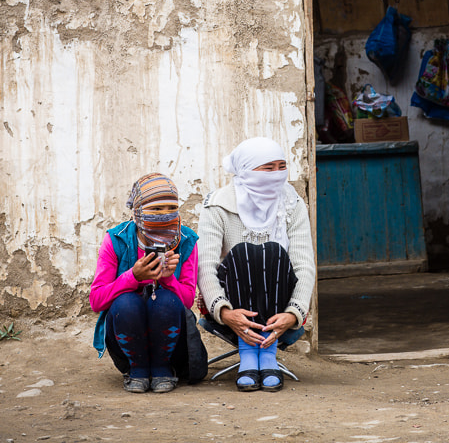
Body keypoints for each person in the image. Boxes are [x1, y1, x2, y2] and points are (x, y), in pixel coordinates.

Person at [197, 137, 315, 392]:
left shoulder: (292, 204)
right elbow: (206, 266)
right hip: (229, 309)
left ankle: (267, 355)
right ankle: (249, 355)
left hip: (279, 311)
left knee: (271, 252)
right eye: (268, 168)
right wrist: (226, 313)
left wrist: (293, 313)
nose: (277, 174)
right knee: (246, 253)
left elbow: (304, 265)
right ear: (246, 170)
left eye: (281, 166)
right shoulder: (217, 205)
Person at [90, 173, 203, 393]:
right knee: (126, 303)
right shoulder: (117, 239)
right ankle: (137, 369)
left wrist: (168, 277)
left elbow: (187, 301)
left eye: (171, 207)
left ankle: (163, 368)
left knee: (165, 300)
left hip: (172, 343)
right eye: (156, 209)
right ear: (138, 210)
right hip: (126, 340)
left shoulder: (187, 240)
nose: (165, 215)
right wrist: (134, 276)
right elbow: (96, 301)